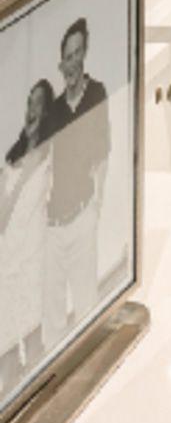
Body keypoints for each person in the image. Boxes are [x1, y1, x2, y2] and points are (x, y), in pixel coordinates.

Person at [43, 20, 109, 347]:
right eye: (67, 56)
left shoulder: (97, 93)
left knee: (86, 310)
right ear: (61, 62)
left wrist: (97, 208)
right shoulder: (54, 110)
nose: (72, 61)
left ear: (86, 54)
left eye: (77, 53)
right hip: (53, 226)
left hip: (83, 216)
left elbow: (104, 153)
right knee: (52, 321)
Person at [0, 79, 58, 390]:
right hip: (7, 260)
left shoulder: (51, 154)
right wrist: (19, 174)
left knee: (34, 341)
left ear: (46, 111)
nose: (31, 109)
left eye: (38, 103)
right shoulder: (11, 161)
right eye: (29, 103)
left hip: (34, 257)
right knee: (6, 348)